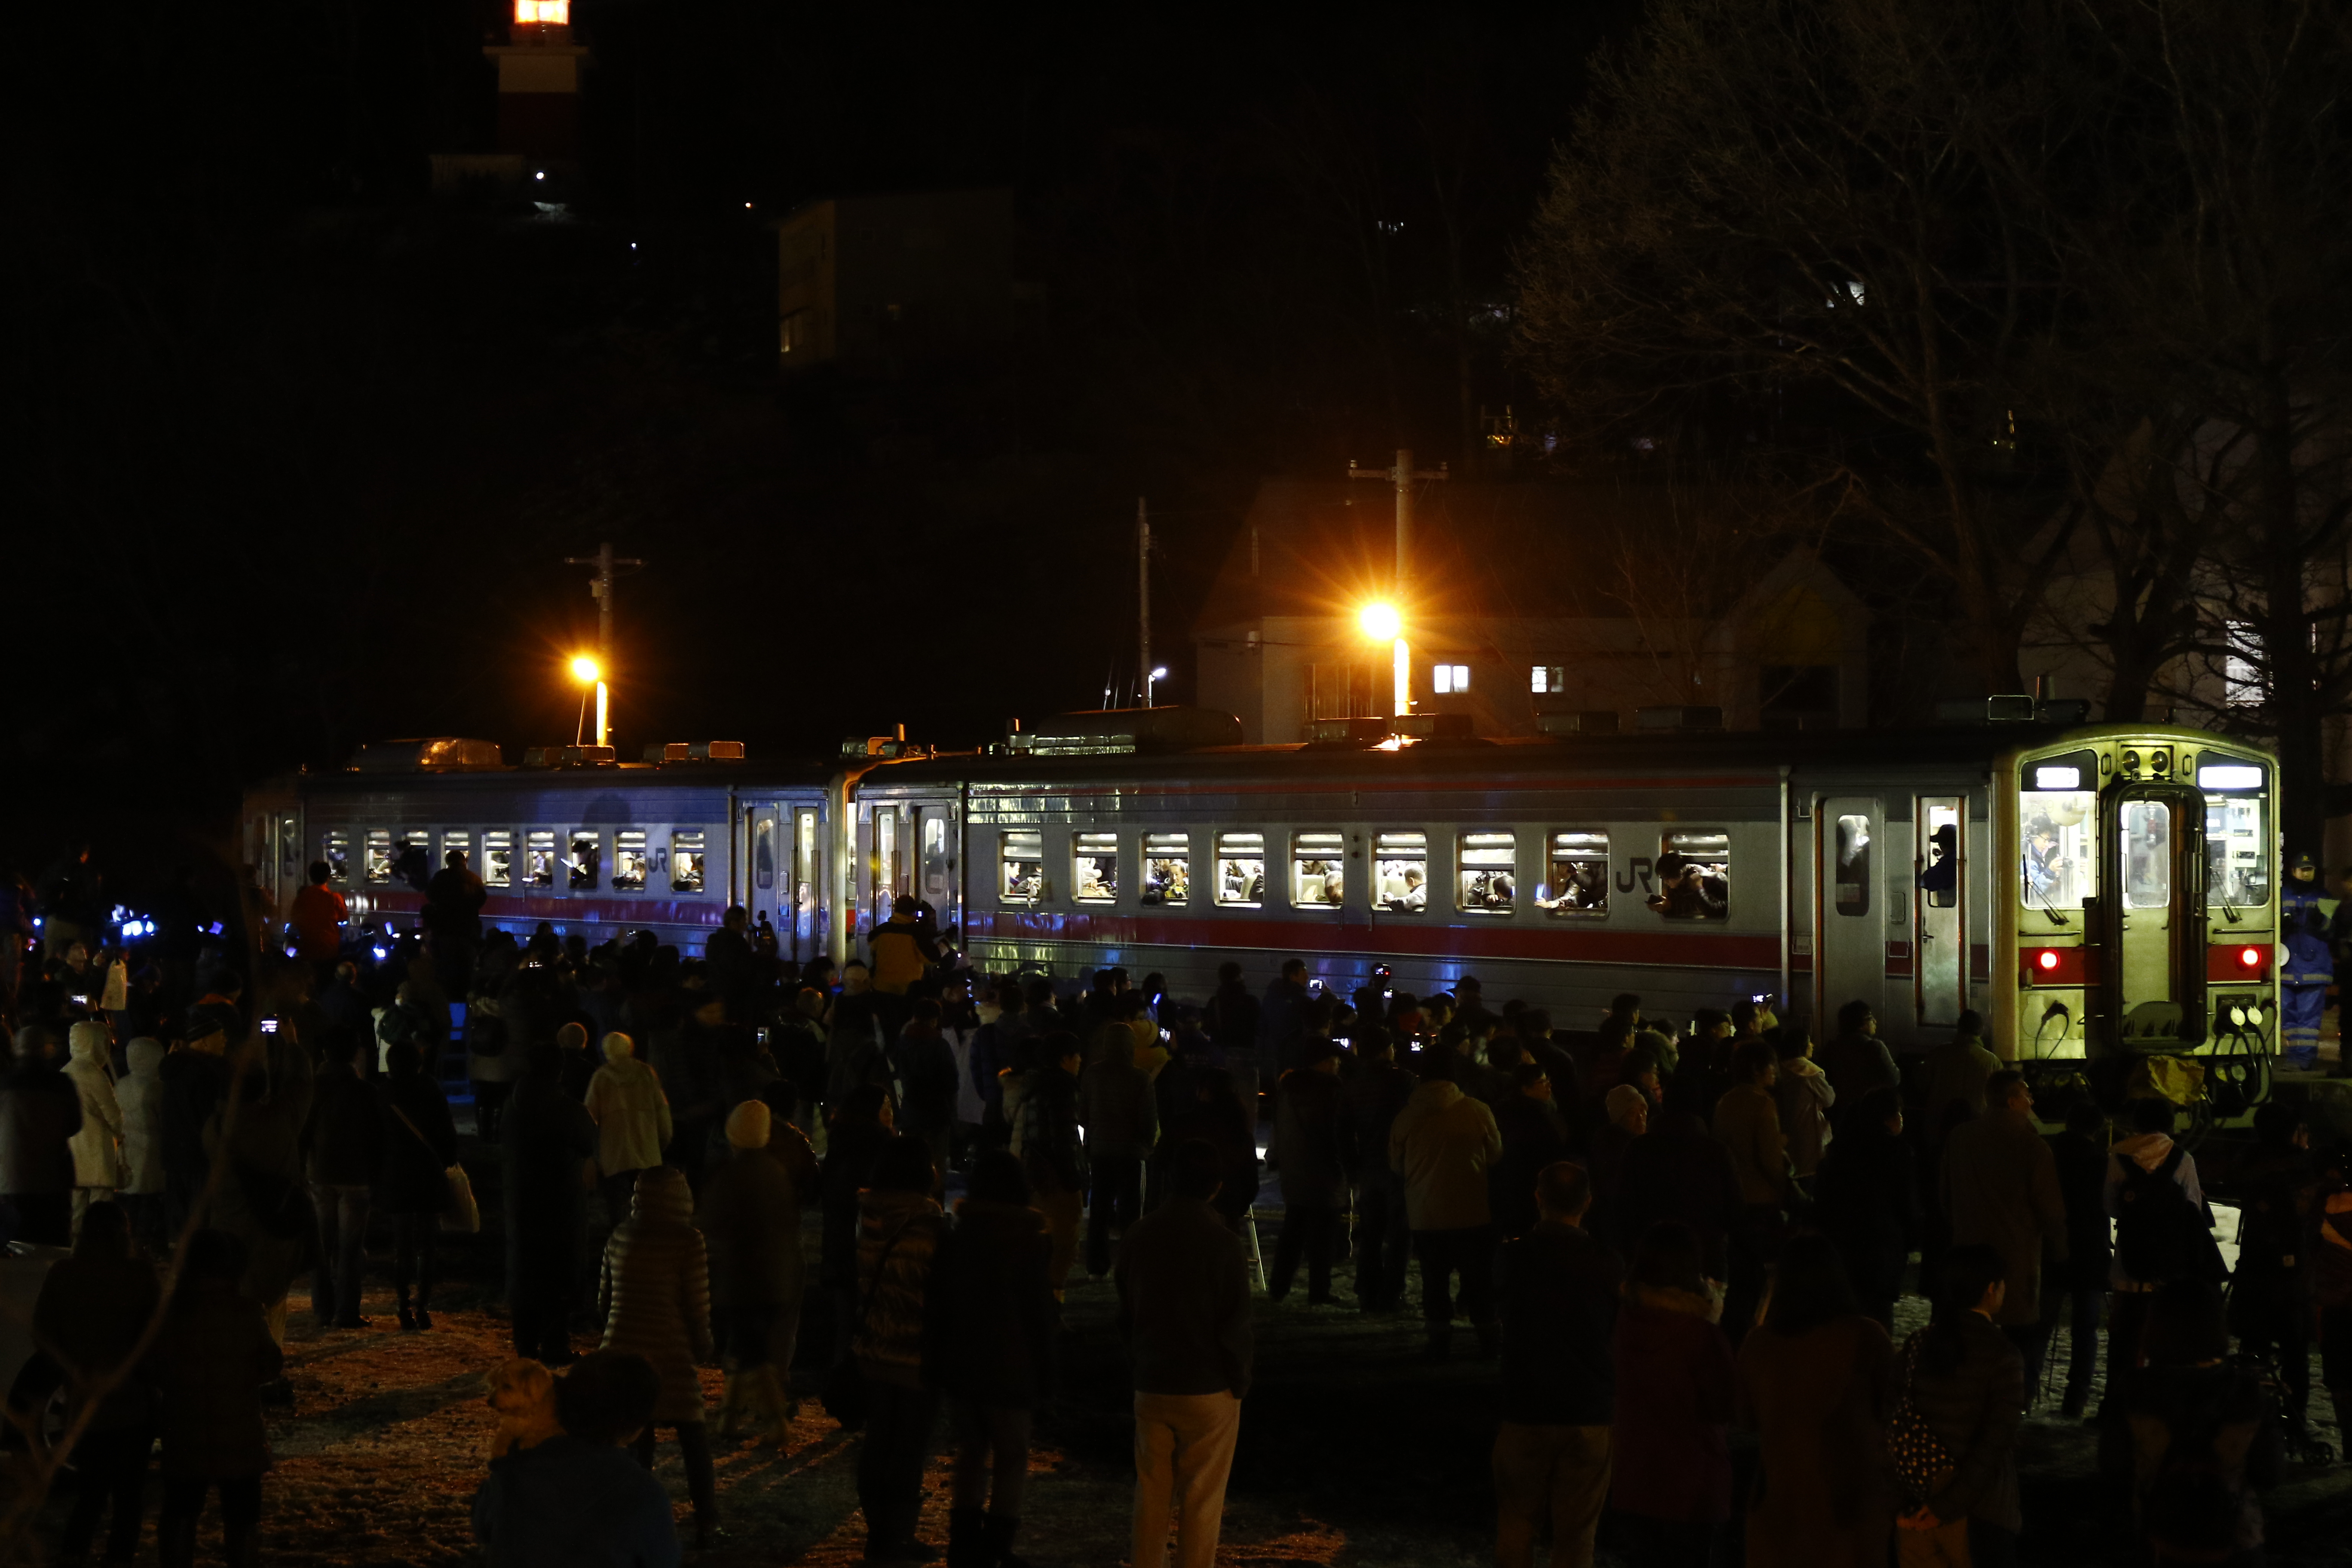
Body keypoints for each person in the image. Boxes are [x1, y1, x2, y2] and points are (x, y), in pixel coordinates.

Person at [1118, 1139, 1253, 1568]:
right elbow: (1235, 1323)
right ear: (1215, 1186)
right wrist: (1239, 1380)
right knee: (1202, 1497)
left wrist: (1139, 1358)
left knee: (1152, 1489)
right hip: (1208, 1386)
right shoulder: (1224, 1243)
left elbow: (1126, 1309)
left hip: (1154, 1379)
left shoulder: (1141, 1234)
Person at [923, 1148, 1057, 1568]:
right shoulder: (1028, 1240)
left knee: (971, 1450)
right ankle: (998, 1544)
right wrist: (1047, 1367)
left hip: (964, 1360)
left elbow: (939, 1302)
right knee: (1012, 1455)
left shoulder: (959, 1235)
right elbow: (1038, 1312)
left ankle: (962, 1544)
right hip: (1011, 1365)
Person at [1735, 1234, 1896, 1568]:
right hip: (1851, 1504)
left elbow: (1746, 1418)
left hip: (1782, 1501)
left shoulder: (1759, 1343)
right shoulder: (1867, 1336)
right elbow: (1892, 1409)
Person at [1491, 1161, 1623, 1568]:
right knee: (1577, 1536)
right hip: (1586, 1408)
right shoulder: (1606, 1263)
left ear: (1538, 1198)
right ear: (1587, 1203)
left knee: (1516, 1524)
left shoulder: (1511, 1258)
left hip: (1525, 1404)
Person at [598, 1165, 719, 1548]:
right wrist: (704, 1348)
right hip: (670, 1354)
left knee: (637, 1439)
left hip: (623, 1355)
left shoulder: (620, 1235)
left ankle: (635, 1520)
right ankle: (707, 1521)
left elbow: (604, 1301)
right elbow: (696, 1307)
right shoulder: (687, 1241)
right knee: (693, 1439)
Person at [34, 1200, 161, 1565]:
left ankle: (73, 1556)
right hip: (132, 1403)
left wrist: (70, 1368)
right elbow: (155, 1337)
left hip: (86, 1401)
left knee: (90, 1495)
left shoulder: (65, 1274)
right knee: (128, 1499)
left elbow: (42, 1334)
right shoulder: (138, 1275)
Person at [472, 1350, 682, 1568]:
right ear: (638, 1424)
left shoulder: (515, 1470)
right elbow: (664, 1559)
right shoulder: (642, 1493)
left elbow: (483, 1526)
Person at [149, 1228, 283, 1568]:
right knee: (242, 1516)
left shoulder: (171, 1314)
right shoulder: (246, 1312)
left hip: (185, 1428)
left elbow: (155, 1367)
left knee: (181, 1510)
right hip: (239, 1432)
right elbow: (269, 1364)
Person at [2128, 1280, 2283, 1566]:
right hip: (2235, 1537)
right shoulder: (2248, 1395)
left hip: (2159, 1535)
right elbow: (2269, 1474)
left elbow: (2114, 1465)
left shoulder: (2135, 1391)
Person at [1611, 1222, 1735, 1568]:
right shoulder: (1700, 1334)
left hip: (1635, 1475)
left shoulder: (1627, 1318)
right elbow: (1725, 1405)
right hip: (1692, 1483)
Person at [1895, 1243, 2024, 1567]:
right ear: (1991, 1291)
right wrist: (1947, 1507)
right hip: (1981, 1513)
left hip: (1916, 1505)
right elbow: (1995, 1443)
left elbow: (1892, 1418)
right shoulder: (2003, 1354)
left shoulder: (1918, 1343)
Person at [852, 1134, 949, 1565]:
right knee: (908, 1450)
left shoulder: (867, 1216)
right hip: (915, 1353)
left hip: (875, 1346)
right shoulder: (930, 1222)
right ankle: (897, 1539)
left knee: (878, 1442)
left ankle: (878, 1535)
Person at [1940, 1069, 2067, 1396]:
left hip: (1966, 1250)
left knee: (1969, 1327)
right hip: (2015, 1255)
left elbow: (1944, 1194)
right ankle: (2010, 1398)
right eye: (2027, 1095)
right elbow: (2050, 1210)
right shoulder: (2032, 1147)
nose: (2032, 1100)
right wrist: (2061, 1247)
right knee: (2015, 1332)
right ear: (2012, 1102)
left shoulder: (1960, 1138)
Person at [2103, 1096, 2223, 1420]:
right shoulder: (2182, 1158)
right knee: (2163, 1334)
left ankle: (2116, 1405)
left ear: (2136, 1121)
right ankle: (2159, 1405)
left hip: (2128, 1263)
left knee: (2123, 1337)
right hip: (2170, 1265)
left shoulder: (2118, 1156)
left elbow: (2111, 1207)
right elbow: (2193, 1209)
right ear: (2170, 1124)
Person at [696, 1099, 804, 1439]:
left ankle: (774, 1422)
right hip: (772, 1279)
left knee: (751, 1355)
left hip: (742, 1281)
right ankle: (731, 1419)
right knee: (748, 1351)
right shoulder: (775, 1171)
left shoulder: (732, 1175)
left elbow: (709, 1225)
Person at [1389, 1050, 1504, 1360]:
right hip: (1473, 1211)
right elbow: (1495, 1156)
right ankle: (1489, 1339)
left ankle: (1439, 1341)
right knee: (1478, 1279)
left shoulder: (1407, 1116)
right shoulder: (1477, 1111)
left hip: (1426, 1213)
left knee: (1434, 1280)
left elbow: (1396, 1164)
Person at [2227, 1102, 2318, 1445]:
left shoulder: (2249, 1163)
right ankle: (2296, 1424)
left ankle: (2253, 1422)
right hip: (2290, 1281)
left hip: (2253, 1273)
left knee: (2254, 1355)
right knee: (2296, 1356)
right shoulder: (2303, 1169)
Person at [506, 1040, 598, 1365]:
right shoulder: (568, 1110)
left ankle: (525, 1343)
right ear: (559, 1070)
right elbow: (589, 1141)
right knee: (558, 1271)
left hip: (521, 1199)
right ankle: (555, 1344)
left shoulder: (514, 1106)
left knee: (526, 1269)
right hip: (561, 1200)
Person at [1813, 1085, 1919, 1332]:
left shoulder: (1840, 1151)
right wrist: (1911, 1237)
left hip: (1843, 1245)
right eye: (1898, 1113)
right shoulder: (1897, 1152)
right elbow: (1907, 1203)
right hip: (1882, 1246)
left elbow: (1823, 1199)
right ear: (1887, 1118)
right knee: (1879, 1318)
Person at [1617, 1084, 1743, 1287]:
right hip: (1706, 1255)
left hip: (1652, 1253)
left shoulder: (1638, 1149)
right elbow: (1735, 1206)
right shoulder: (1715, 1151)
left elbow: (1625, 1205)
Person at [304, 1037, 385, 1327]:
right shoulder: (365, 1091)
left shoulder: (312, 1088)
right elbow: (377, 1137)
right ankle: (346, 1311)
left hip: (320, 1174)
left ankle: (323, 1308)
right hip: (356, 1177)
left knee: (321, 1245)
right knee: (350, 1248)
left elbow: (303, 1133)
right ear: (353, 1057)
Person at [1711, 1040, 1788, 1342]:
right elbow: (1769, 1161)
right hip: (1761, 1199)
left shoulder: (1726, 1101)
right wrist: (1786, 1186)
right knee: (1759, 1279)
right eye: (1771, 1065)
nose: (1775, 1071)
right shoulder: (1762, 1103)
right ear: (1758, 1070)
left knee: (1739, 1279)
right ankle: (1755, 1342)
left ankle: (1731, 1339)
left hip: (1733, 1198)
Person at [378, 1039, 458, 1332]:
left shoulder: (384, 1092)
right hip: (427, 1172)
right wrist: (448, 1160)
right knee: (427, 1244)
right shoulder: (431, 1088)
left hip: (397, 1174)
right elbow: (446, 1133)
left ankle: (402, 1304)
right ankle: (423, 1306)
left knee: (403, 1246)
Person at [1267, 1037, 1352, 1302]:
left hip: (1294, 1169)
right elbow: (1335, 1134)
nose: (1338, 1064)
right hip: (1323, 1171)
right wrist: (1344, 1165)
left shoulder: (1289, 1089)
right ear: (1324, 1063)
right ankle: (1319, 1291)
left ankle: (1279, 1287)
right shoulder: (1330, 1091)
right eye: (1334, 1060)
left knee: (1293, 1231)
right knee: (1323, 1238)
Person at [2043, 1099, 2113, 1419]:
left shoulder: (2049, 1157)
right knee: (2086, 1328)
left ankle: (2026, 1391)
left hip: (2052, 1247)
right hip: (2090, 1251)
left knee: (2041, 1324)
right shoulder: (2101, 1163)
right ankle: (2076, 1399)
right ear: (2098, 1129)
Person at [1341, 1025, 1416, 1312]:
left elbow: (1344, 1131)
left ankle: (1367, 1292)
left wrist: (1353, 1168)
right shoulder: (1405, 1081)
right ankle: (1391, 1294)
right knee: (1400, 1234)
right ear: (1388, 1050)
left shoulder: (1353, 1084)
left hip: (1368, 1167)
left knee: (1371, 1233)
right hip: (1399, 1167)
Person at [1081, 1011, 1160, 1277]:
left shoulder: (1093, 1074)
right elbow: (1148, 1120)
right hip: (1131, 1152)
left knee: (1100, 1212)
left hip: (1101, 1150)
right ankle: (1129, 1265)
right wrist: (1146, 1146)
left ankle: (1096, 1266)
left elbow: (1083, 1112)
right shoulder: (1140, 1078)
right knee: (1131, 1213)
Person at [1013, 1032, 1087, 1298]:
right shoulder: (1062, 1086)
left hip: (1038, 1173)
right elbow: (1064, 1137)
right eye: (1077, 1056)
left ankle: (1041, 1303)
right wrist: (1074, 1178)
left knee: (1044, 1242)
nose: (1080, 1061)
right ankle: (1051, 1307)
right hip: (1058, 1176)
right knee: (1064, 1245)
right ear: (1066, 1058)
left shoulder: (1036, 1084)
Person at [0, 1023, 83, 1244]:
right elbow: (74, 1125)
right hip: (52, 1177)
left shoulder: (4, 1083)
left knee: (17, 1242)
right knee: (53, 1240)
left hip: (12, 1178)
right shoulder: (61, 1084)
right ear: (47, 1049)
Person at [585, 1032, 673, 1228]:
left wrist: (591, 1156)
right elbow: (663, 1113)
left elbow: (588, 1119)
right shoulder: (646, 1074)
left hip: (614, 1158)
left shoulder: (601, 1078)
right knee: (648, 1213)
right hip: (648, 1155)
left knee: (619, 1218)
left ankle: (622, 1253)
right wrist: (662, 1144)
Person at [1491, 1061, 1572, 1242]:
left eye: (1548, 1080)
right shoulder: (1532, 1116)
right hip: (1529, 1188)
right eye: (1542, 1082)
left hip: (1511, 1188)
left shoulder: (1507, 1110)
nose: (1549, 1086)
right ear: (1525, 1088)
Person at [63, 1018, 123, 1234]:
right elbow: (113, 1115)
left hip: (73, 1151)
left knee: (76, 1209)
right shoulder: (95, 1075)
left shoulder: (64, 1073)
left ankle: (75, 1248)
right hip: (98, 1149)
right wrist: (121, 1133)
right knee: (100, 1208)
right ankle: (97, 1249)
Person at [2279, 851, 2334, 1070]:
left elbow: (2331, 931)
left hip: (2314, 968)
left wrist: (2320, 921)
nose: (2306, 874)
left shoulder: (2325, 897)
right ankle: (2296, 1055)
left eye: (2310, 870)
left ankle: (2304, 1059)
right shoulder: (2281, 894)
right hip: (2287, 968)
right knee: (2288, 1017)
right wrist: (2285, 925)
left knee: (2309, 1021)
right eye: (2302, 870)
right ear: (2293, 871)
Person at [116, 1036, 168, 1257]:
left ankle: (127, 1240)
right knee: (149, 1198)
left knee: (130, 1199)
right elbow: (164, 1119)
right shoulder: (158, 1087)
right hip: (152, 1148)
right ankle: (143, 1243)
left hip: (127, 1147)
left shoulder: (121, 1084)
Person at [1912, 1011, 2001, 1130]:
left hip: (1938, 1125)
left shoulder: (1937, 1054)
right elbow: (2000, 1098)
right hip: (1976, 1128)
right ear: (1981, 1030)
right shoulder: (1993, 1062)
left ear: (1959, 1028)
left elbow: (1922, 1084)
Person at [1815, 1000, 1899, 1125]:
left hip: (1840, 1114)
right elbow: (1894, 1079)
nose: (1875, 1022)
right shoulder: (1875, 1047)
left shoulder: (1831, 1047)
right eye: (1871, 1018)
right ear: (1861, 1024)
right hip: (1870, 1113)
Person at [1770, 1028, 1833, 1182]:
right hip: (1809, 1130)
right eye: (1809, 1042)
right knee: (1810, 1173)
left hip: (1783, 1128)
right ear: (1801, 1046)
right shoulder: (1810, 1073)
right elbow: (1829, 1099)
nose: (1812, 1045)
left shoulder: (1779, 1070)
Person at [288, 861, 348, 969]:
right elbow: (343, 918)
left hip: (307, 950)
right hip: (330, 951)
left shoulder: (302, 897)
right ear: (328, 878)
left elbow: (294, 919)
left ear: (311, 877)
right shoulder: (335, 898)